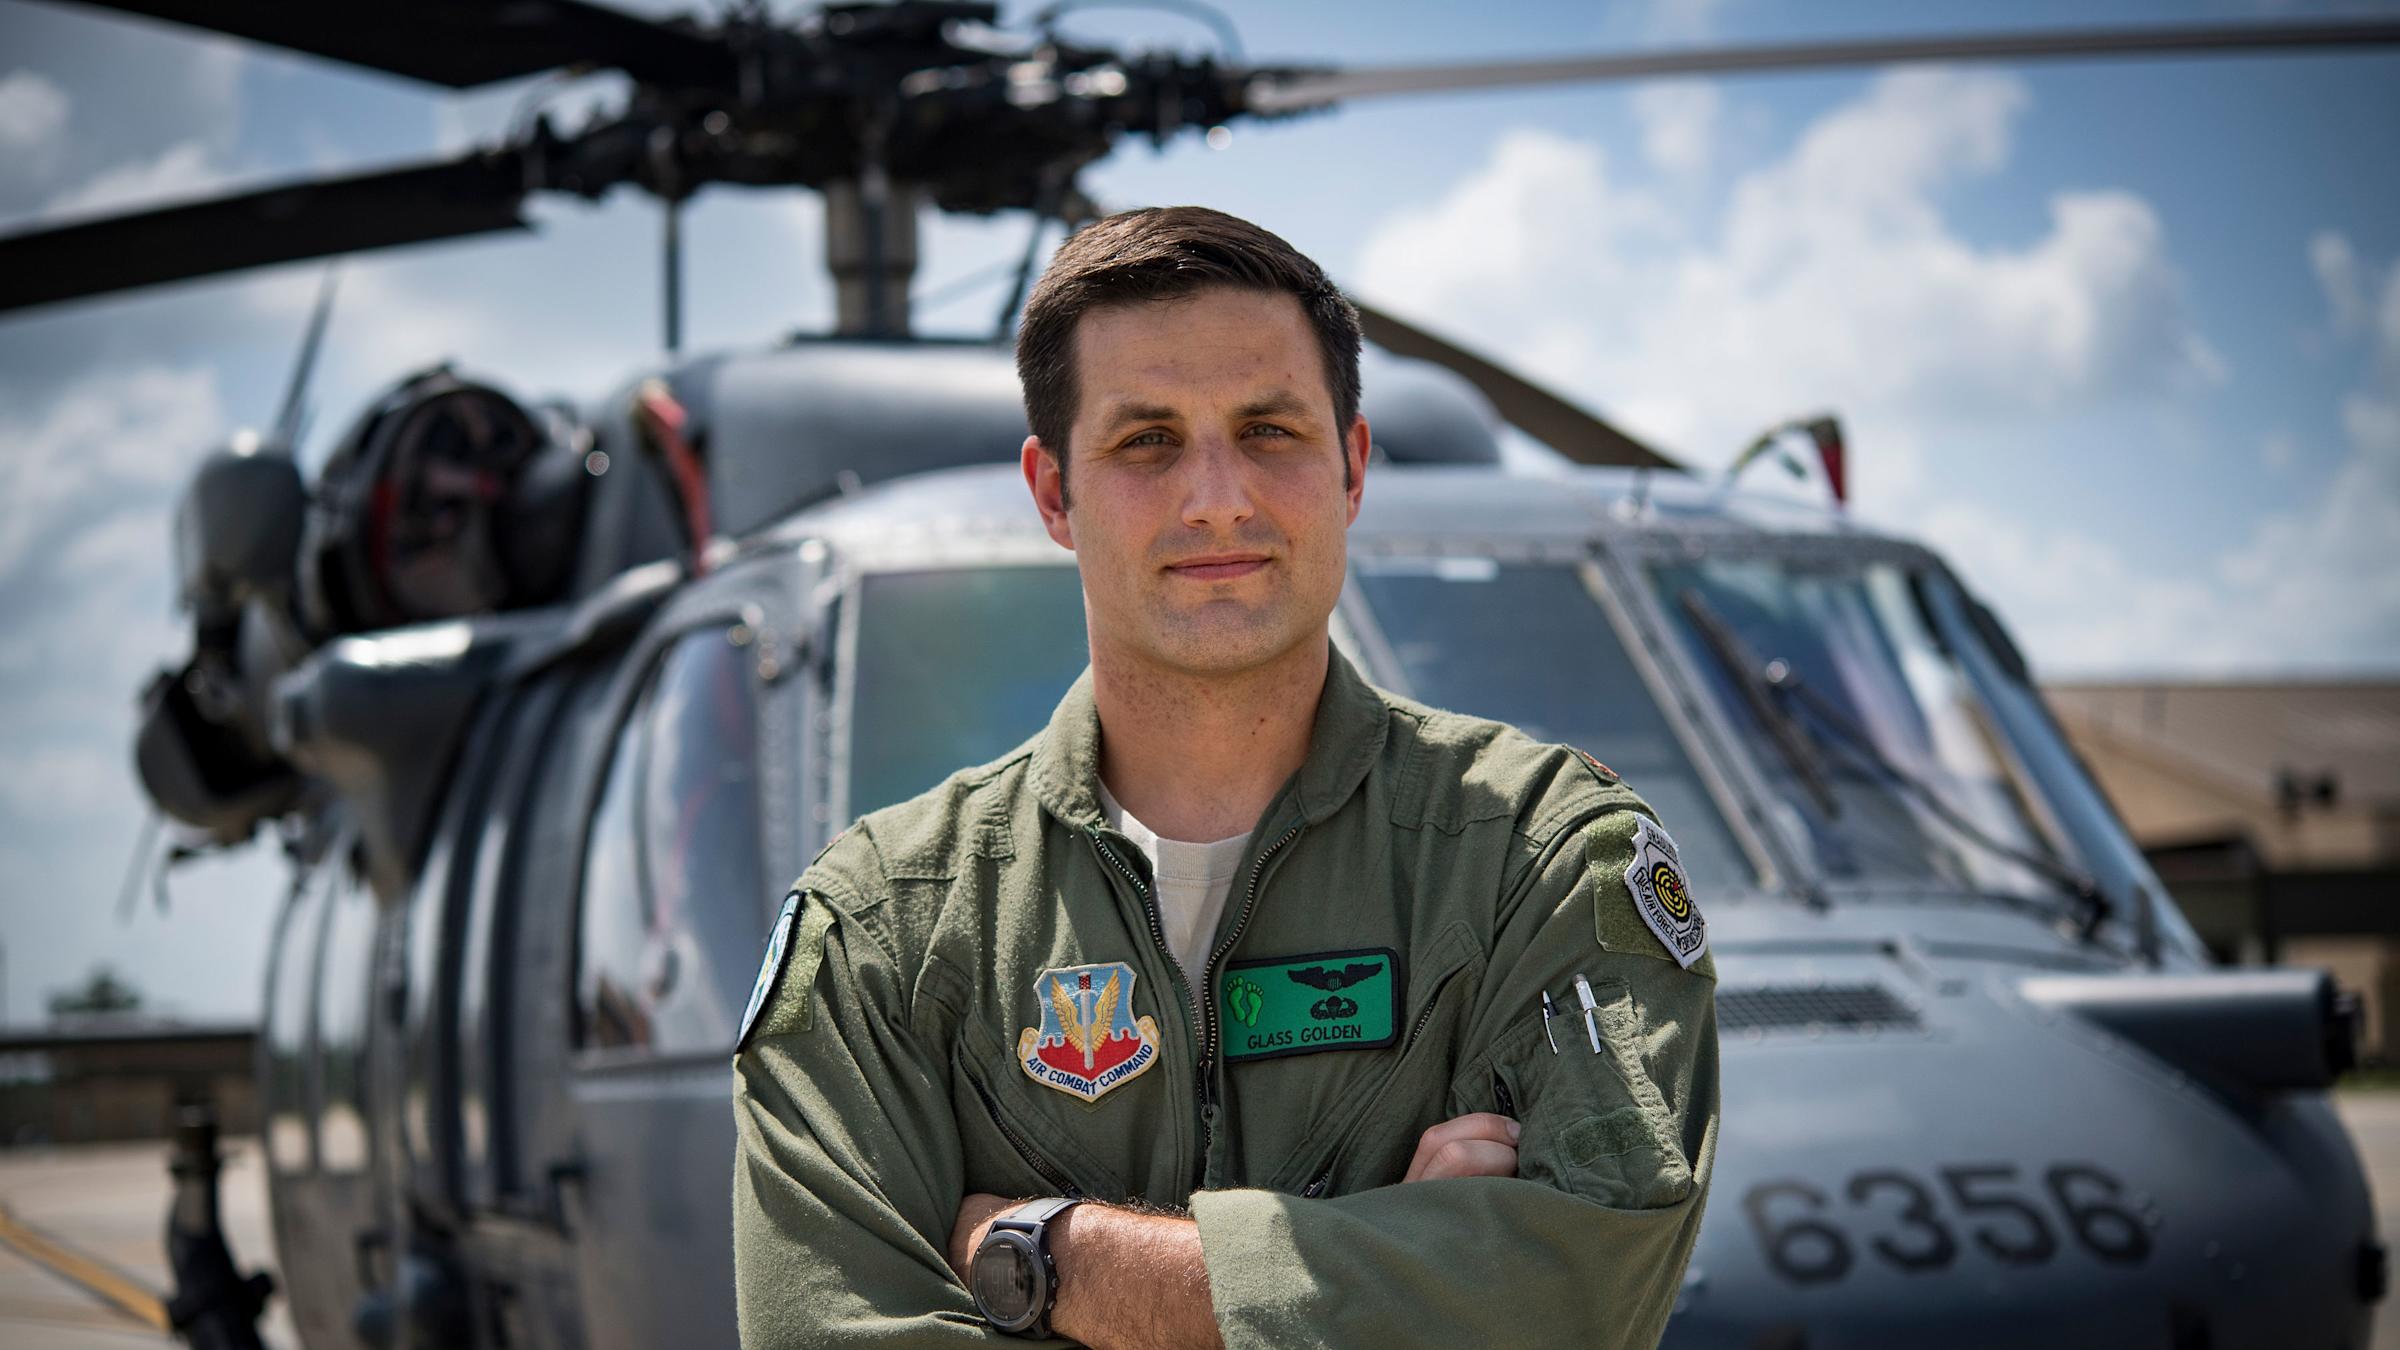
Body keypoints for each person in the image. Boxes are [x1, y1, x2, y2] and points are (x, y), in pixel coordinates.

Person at [731, 206, 1718, 1349]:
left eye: (1269, 430)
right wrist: (1398, 1276)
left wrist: (1055, 1261)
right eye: (1148, 440)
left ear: (1352, 466)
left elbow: (1584, 1286)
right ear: (1053, 495)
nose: (1217, 497)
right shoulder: (882, 930)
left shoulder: (1537, 860)